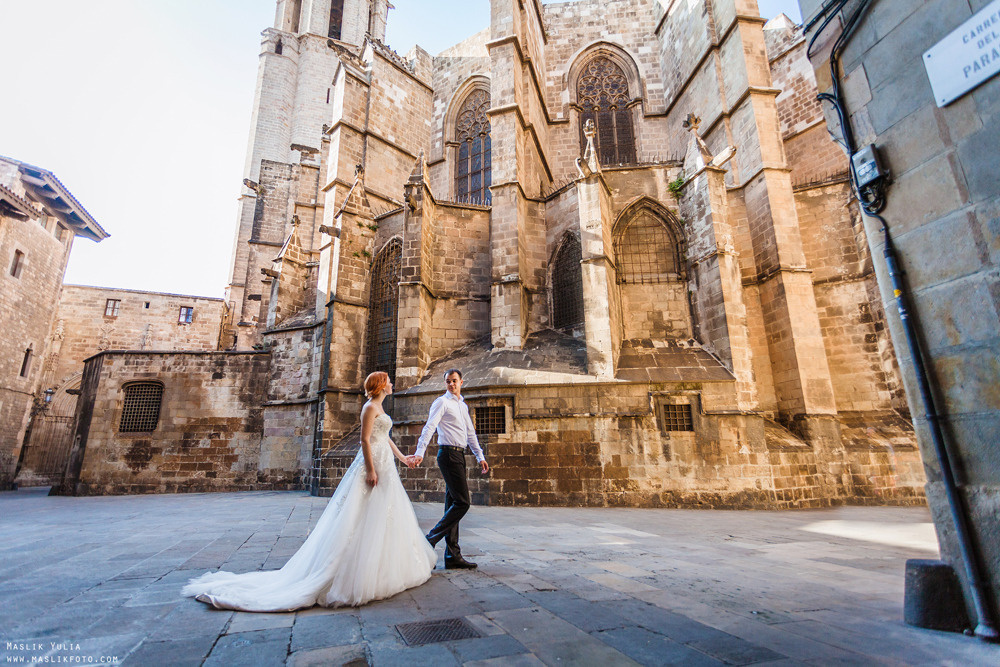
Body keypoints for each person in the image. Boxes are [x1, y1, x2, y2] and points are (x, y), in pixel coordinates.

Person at [182, 372, 436, 612]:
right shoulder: (369, 408)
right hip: (373, 464)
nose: (392, 384)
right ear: (381, 386)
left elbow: (385, 437)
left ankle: (385, 566)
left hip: (386, 464)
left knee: (384, 513)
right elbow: (365, 440)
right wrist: (370, 470)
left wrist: (403, 458)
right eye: (389, 381)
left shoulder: (380, 408)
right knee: (360, 514)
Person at [407, 368, 489, 569]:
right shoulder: (441, 402)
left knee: (452, 504)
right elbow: (429, 427)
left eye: (454, 381)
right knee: (463, 503)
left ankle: (452, 555)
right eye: (448, 382)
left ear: (461, 382)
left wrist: (480, 456)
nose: (451, 384)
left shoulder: (462, 405)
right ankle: (429, 540)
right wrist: (420, 452)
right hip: (448, 455)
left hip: (459, 455)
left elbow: (470, 434)